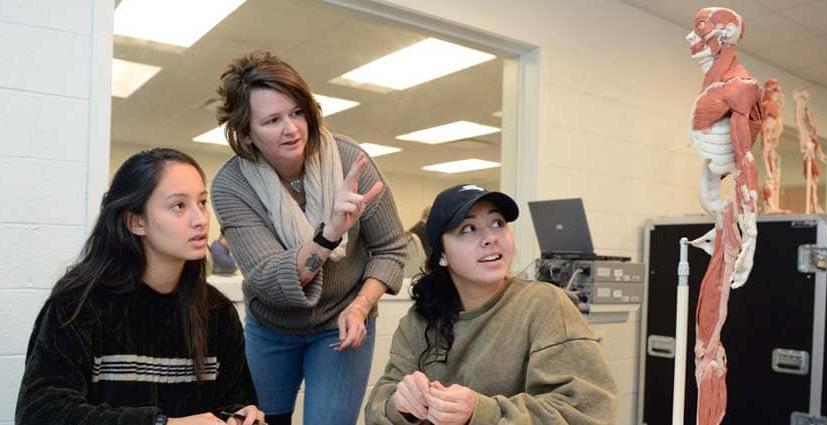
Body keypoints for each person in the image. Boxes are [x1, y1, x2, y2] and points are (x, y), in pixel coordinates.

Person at [211, 51, 406, 425]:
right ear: (246, 133)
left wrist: (361, 306)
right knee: (261, 421)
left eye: (297, 112)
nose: (292, 129)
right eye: (272, 120)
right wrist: (331, 233)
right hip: (271, 326)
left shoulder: (352, 161)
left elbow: (390, 248)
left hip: (342, 319)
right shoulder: (231, 185)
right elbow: (269, 278)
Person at [15, 148, 263, 425]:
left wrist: (239, 414)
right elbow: (40, 413)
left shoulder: (216, 311)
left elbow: (232, 400)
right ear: (136, 222)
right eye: (179, 206)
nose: (201, 219)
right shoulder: (77, 305)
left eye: (202, 202)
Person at [365, 184, 618, 424]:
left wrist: (480, 413)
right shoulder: (418, 321)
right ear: (442, 255)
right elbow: (377, 409)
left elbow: (589, 411)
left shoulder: (544, 304)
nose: (490, 238)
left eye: (498, 224)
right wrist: (400, 405)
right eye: (468, 228)